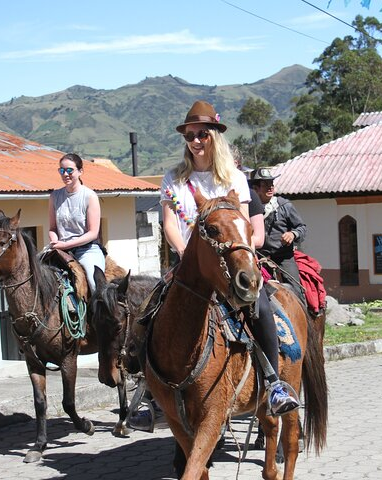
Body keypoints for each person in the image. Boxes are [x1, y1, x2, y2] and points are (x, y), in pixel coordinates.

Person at [127, 101, 298, 431]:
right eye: (190, 135)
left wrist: (240, 260)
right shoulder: (174, 179)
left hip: (230, 265)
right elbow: (171, 224)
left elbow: (244, 224)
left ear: (215, 136)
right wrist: (184, 254)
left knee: (261, 308)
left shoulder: (232, 178)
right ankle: (146, 394)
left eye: (202, 134)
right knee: (146, 312)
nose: (195, 140)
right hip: (189, 267)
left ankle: (275, 384)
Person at [48, 153, 105, 292]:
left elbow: (93, 233)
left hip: (86, 250)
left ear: (80, 171)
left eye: (69, 170)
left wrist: (65, 244)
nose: (65, 174)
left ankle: (101, 313)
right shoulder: (54, 196)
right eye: (62, 170)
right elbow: (53, 228)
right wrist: (55, 242)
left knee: (95, 284)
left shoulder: (89, 196)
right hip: (60, 249)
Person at [250, 167, 307, 301]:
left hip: (283, 258)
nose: (270, 187)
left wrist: (293, 234)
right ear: (256, 188)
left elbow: (302, 227)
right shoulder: (248, 208)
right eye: (265, 185)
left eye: (271, 184)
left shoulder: (284, 205)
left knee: (296, 289)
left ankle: (304, 318)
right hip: (257, 257)